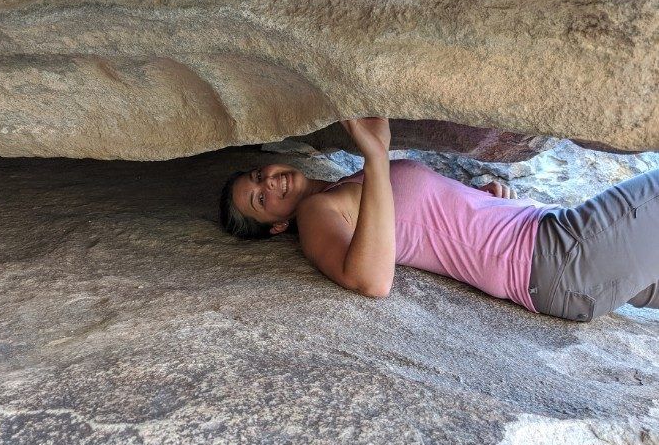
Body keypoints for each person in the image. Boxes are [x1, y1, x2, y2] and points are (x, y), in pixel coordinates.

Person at [219, 117, 659, 322]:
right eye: (260, 199)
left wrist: (485, 201)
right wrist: (376, 154)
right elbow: (371, 280)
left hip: (562, 259)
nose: (271, 183)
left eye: (261, 175)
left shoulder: (344, 186)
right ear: (276, 225)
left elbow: (426, 221)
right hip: (560, 255)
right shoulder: (317, 213)